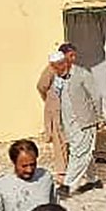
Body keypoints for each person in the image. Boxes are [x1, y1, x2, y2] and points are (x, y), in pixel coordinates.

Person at [53, 45, 102, 198]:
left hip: (84, 121)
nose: (73, 59)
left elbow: (96, 96)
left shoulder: (82, 74)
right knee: (83, 151)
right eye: (70, 56)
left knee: (79, 153)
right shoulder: (59, 77)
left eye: (74, 56)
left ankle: (68, 185)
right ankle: (94, 180)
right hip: (69, 122)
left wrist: (98, 116)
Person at [36, 53, 69, 182]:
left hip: (66, 108)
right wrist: (49, 99)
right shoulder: (50, 71)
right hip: (55, 109)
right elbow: (41, 86)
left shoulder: (67, 70)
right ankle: (62, 170)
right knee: (58, 138)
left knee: (66, 138)